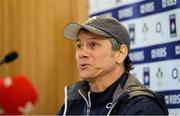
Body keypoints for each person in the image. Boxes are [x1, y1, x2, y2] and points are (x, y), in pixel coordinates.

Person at [57, 16, 168, 115]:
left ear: (120, 53)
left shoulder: (143, 107)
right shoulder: (73, 101)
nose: (82, 54)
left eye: (93, 44)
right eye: (79, 45)